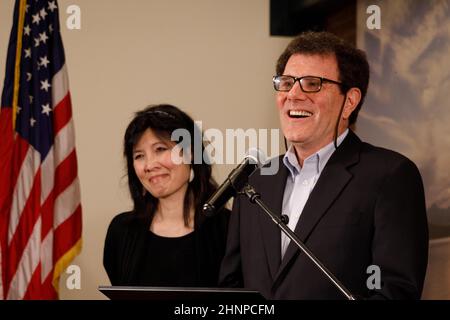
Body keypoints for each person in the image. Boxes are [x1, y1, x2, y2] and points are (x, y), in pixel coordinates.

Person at [219, 31, 429, 299]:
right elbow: (231, 289)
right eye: (286, 82)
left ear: (349, 101)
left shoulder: (390, 176)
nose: (293, 95)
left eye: (312, 83)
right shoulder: (256, 180)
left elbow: (395, 292)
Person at [103, 104, 229, 287]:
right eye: (139, 156)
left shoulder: (228, 229)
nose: (149, 164)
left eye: (160, 149)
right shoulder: (121, 231)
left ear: (191, 153)